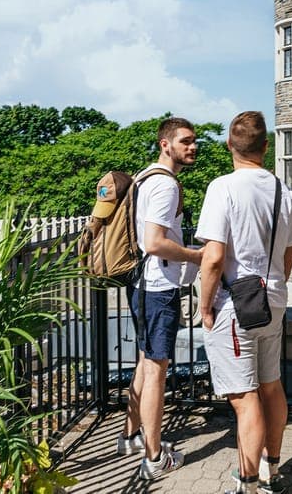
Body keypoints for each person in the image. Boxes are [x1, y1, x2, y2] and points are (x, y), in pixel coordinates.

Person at [196, 111, 292, 494]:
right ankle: (273, 469)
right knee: (271, 385)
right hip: (272, 298)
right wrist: (274, 284)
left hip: (235, 302)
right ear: (265, 148)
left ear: (229, 145)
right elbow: (290, 254)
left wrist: (205, 308)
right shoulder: (283, 192)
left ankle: (248, 482)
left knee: (244, 397)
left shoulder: (222, 187)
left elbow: (213, 258)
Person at [116, 117, 202, 481]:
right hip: (157, 287)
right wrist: (197, 256)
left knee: (144, 361)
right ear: (165, 144)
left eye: (194, 141)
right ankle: (153, 458)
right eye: (185, 141)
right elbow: (154, 242)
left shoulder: (144, 175)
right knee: (156, 371)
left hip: (140, 283)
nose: (192, 146)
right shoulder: (165, 186)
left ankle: (130, 436)